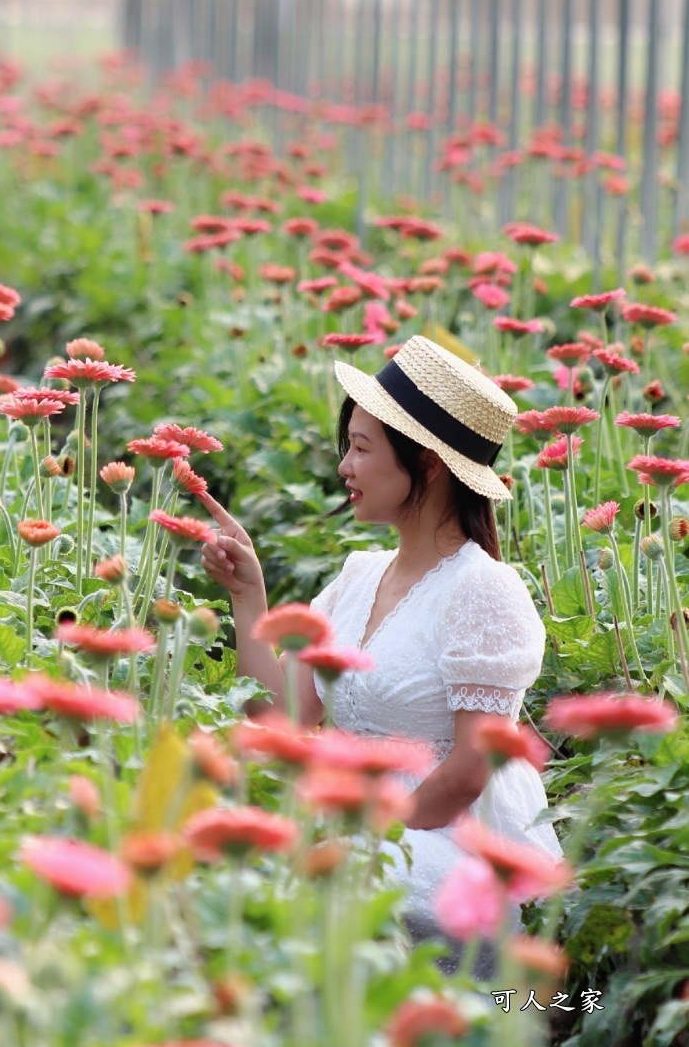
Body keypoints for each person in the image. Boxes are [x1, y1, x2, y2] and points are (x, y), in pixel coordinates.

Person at [200, 334, 563, 965]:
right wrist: (248, 596)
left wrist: (363, 826)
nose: (344, 466)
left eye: (361, 448)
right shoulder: (360, 575)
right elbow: (289, 712)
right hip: (353, 818)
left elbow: (466, 776)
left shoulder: (483, 590)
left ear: (425, 465)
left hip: (433, 838)